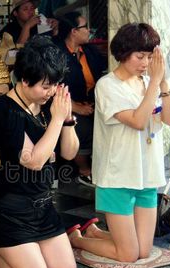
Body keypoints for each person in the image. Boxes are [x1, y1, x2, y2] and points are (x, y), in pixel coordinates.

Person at [68, 23, 170, 262]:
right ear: (124, 53)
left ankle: (95, 230)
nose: (146, 63)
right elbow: (138, 121)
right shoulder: (107, 85)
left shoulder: (149, 82)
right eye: (140, 56)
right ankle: (78, 239)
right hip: (117, 176)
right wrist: (153, 84)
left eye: (150, 57)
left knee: (143, 251)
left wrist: (163, 84)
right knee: (128, 254)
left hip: (146, 174)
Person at [0, 36, 79, 268]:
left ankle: (31, 254)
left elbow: (68, 152)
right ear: (24, 80)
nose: (50, 92)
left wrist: (66, 120)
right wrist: (57, 120)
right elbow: (33, 161)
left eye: (54, 85)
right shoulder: (4, 110)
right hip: (9, 211)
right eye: (45, 86)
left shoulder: (48, 105)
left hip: (43, 207)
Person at [54, 12, 106, 187]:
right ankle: (84, 170)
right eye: (85, 27)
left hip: (91, 101)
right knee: (83, 126)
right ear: (73, 31)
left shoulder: (89, 51)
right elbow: (52, 86)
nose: (89, 30)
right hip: (65, 104)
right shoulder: (57, 54)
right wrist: (74, 107)